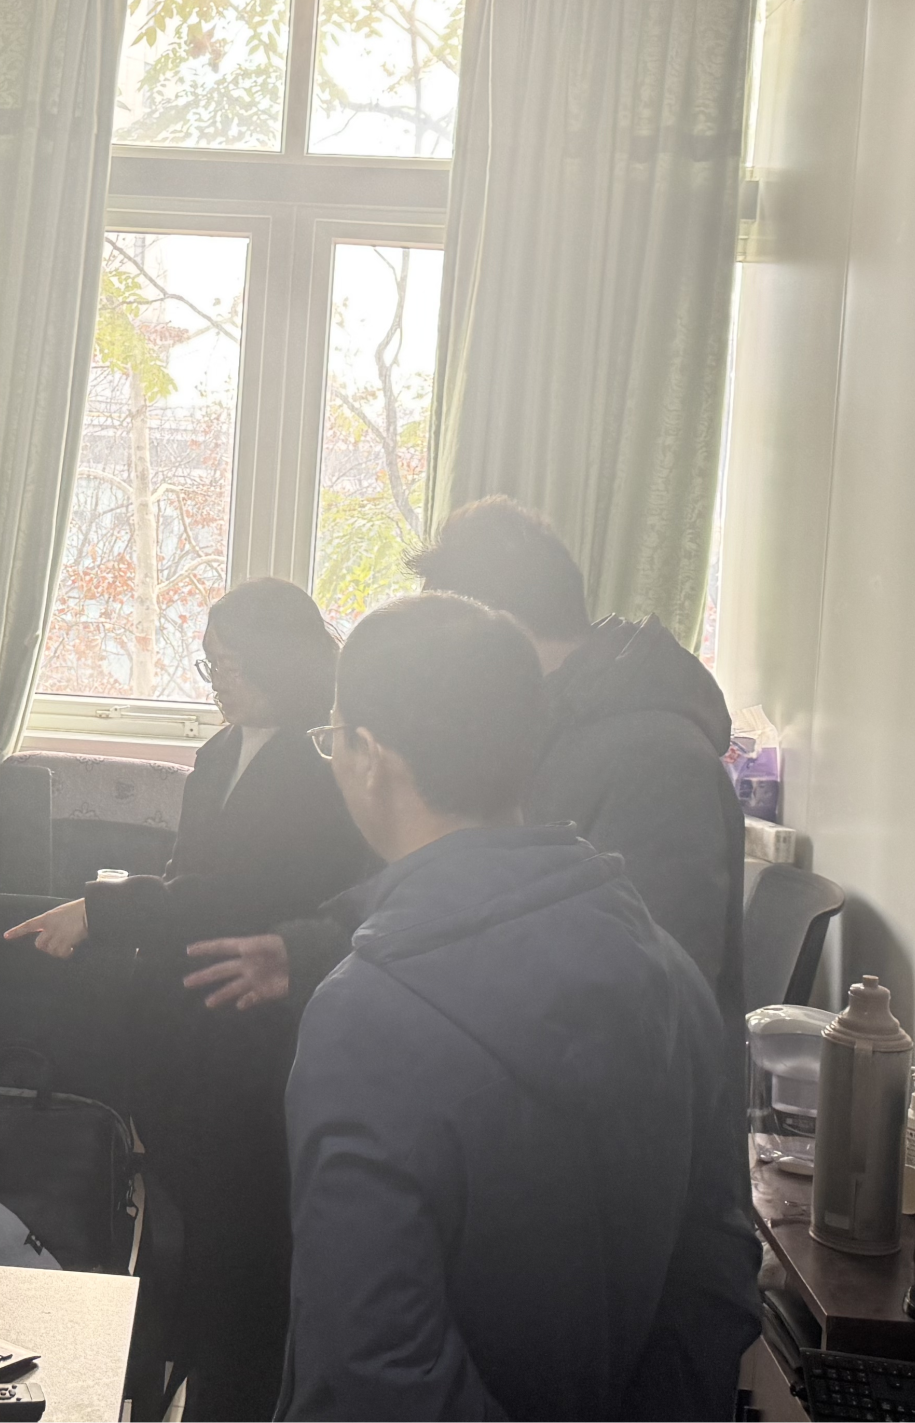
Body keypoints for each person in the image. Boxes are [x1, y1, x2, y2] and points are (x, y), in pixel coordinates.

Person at [278, 593, 760, 1422]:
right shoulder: (670, 970)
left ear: (368, 755)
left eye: (334, 737)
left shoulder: (366, 1015)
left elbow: (377, 1362)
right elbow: (716, 1275)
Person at [7, 577, 373, 1423]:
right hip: (183, 1042)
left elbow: (242, 896)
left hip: (260, 1041)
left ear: (281, 661)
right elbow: (188, 881)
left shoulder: (322, 762)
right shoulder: (217, 754)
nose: (216, 681)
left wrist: (104, 910)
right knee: (192, 1249)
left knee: (244, 1266)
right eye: (209, 662)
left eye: (230, 664)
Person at [183, 497, 745, 1030]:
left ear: (496, 632)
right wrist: (308, 953)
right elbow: (438, 887)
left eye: (438, 646)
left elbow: (648, 1009)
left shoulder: (660, 762)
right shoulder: (516, 725)